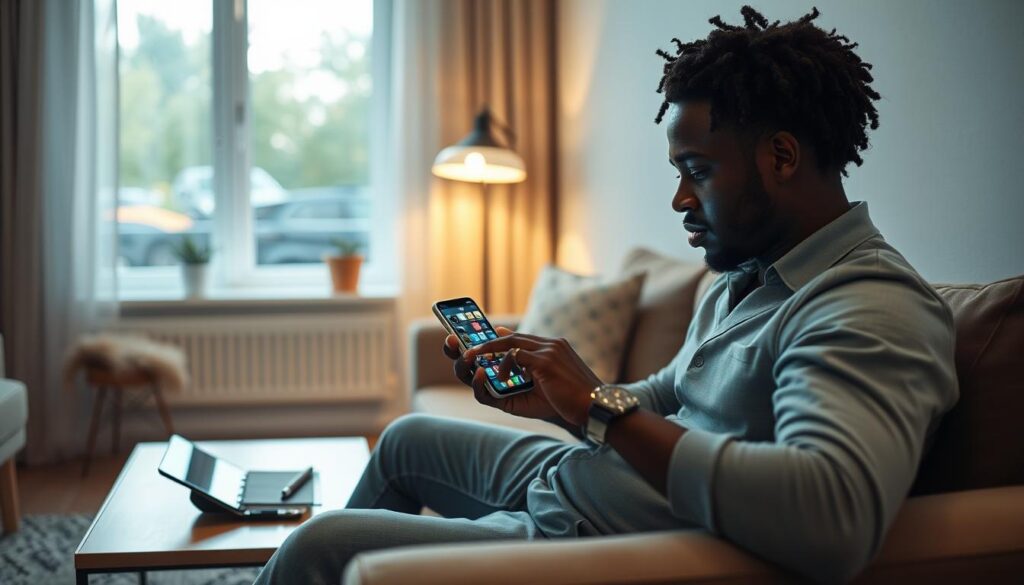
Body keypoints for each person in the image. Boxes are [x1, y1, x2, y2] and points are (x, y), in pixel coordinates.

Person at [254, 6, 957, 584]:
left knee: (320, 545)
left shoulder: (867, 306)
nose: (680, 198)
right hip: (591, 479)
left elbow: (831, 516)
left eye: (697, 170)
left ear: (781, 156)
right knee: (406, 439)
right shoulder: (749, 277)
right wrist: (563, 400)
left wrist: (599, 407)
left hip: (600, 532)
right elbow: (666, 396)